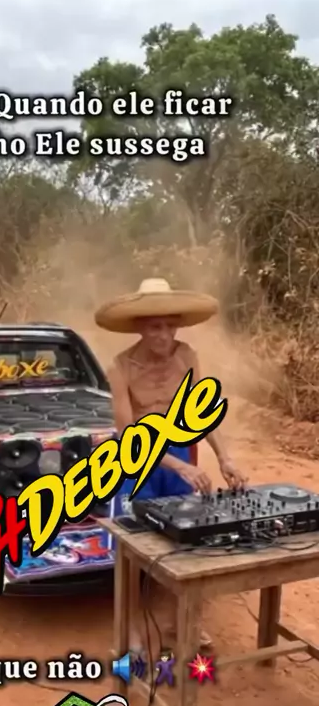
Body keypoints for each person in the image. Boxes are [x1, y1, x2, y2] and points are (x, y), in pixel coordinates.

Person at [95, 278, 248, 653]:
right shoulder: (120, 367)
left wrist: (224, 457)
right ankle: (131, 628)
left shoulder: (187, 357)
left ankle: (182, 623)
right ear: (140, 328)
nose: (162, 335)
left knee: (186, 542)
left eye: (168, 325)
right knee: (132, 549)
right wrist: (179, 467)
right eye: (154, 327)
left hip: (180, 451)